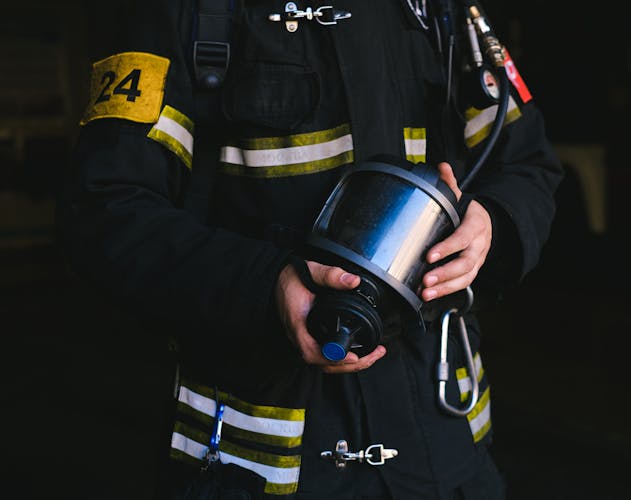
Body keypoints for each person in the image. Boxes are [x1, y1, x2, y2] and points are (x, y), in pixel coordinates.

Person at [57, 0, 563, 498]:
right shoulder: (187, 13)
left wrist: (493, 223)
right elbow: (105, 210)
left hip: (445, 457)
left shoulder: (436, 9)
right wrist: (265, 284)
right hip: (255, 471)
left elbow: (527, 164)